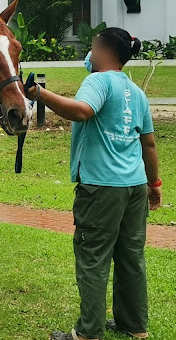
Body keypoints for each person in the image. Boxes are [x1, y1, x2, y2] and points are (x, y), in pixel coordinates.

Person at [25, 28, 162, 340]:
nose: (89, 54)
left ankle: (87, 332)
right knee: (131, 256)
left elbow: (83, 111)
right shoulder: (136, 92)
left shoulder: (98, 81)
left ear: (103, 51)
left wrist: (40, 94)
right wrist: (154, 183)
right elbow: (149, 144)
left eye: (92, 47)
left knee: (93, 257)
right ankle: (134, 325)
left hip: (101, 188)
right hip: (135, 186)